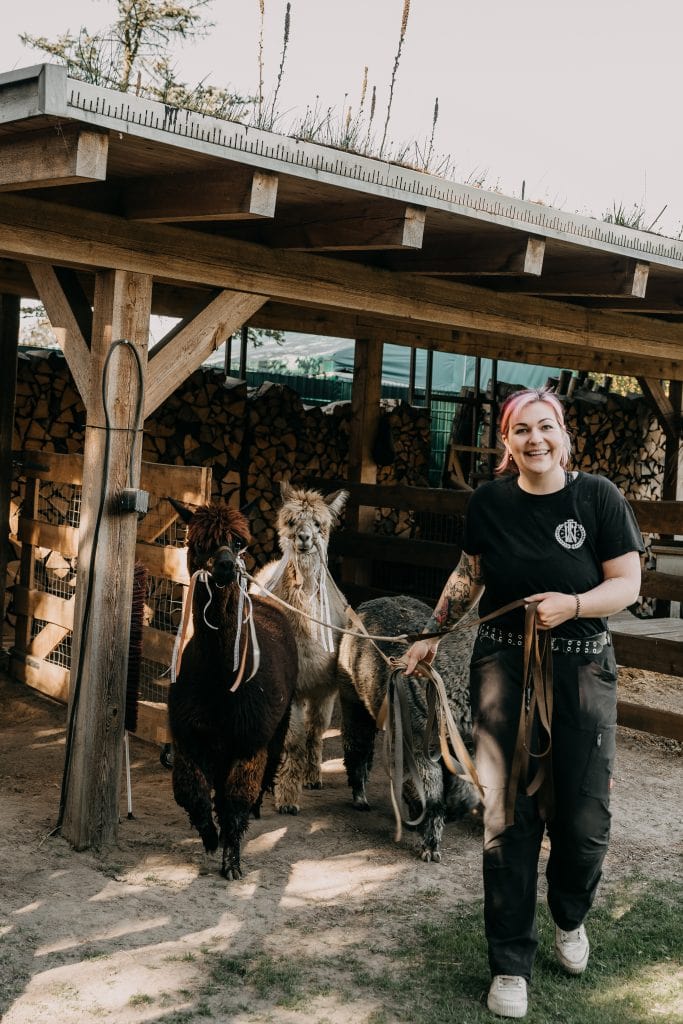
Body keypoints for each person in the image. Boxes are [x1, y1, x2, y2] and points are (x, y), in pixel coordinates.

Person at [404, 387, 643, 1020]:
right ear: (506, 442)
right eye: (521, 431)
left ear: (564, 435)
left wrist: (574, 605)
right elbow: (469, 574)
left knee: (584, 817)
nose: (535, 440)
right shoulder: (489, 501)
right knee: (507, 816)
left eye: (546, 427)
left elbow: (627, 583)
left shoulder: (598, 498)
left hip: (583, 663)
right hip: (504, 662)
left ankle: (570, 915)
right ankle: (510, 963)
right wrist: (432, 633)